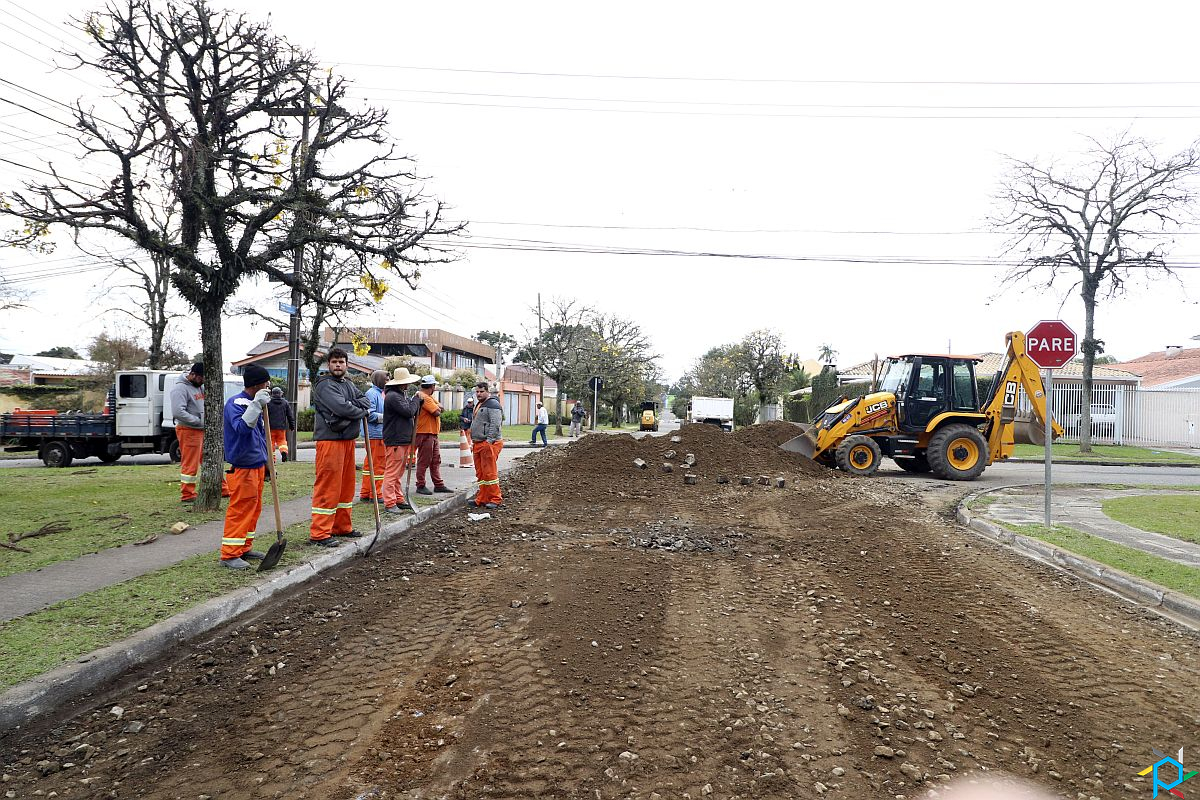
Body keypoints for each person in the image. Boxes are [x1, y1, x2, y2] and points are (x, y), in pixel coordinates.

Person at [310, 348, 372, 546]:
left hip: (348, 440)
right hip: (330, 441)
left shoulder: (348, 383)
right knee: (328, 486)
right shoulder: (325, 385)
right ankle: (319, 533)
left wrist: (354, 407)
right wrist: (357, 410)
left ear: (347, 365)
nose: (338, 365)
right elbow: (341, 407)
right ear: (328, 364)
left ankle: (341, 526)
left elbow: (365, 401)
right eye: (334, 362)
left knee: (346, 486)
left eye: (341, 362)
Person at [219, 365, 271, 569]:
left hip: (257, 464)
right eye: (266, 382)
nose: (268, 386)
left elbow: (261, 437)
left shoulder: (255, 403)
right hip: (243, 466)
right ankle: (229, 554)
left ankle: (244, 547)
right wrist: (256, 405)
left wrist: (267, 463)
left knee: (254, 508)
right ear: (257, 384)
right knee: (241, 509)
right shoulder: (237, 403)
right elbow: (242, 429)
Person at [170, 362, 229, 502]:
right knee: (190, 462)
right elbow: (178, 412)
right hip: (189, 430)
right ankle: (187, 494)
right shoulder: (180, 389)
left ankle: (222, 488)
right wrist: (199, 422)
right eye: (202, 378)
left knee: (211, 460)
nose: (203, 381)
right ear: (193, 375)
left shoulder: (199, 386)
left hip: (200, 430)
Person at [381, 367, 421, 513]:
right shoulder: (393, 397)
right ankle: (390, 502)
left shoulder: (399, 395)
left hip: (402, 439)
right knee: (392, 473)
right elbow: (408, 411)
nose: (408, 385)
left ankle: (398, 498)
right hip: (396, 440)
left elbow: (410, 409)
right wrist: (416, 400)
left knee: (398, 473)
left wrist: (415, 402)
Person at [413, 374, 453, 496]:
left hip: (431, 433)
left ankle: (438, 484)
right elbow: (437, 412)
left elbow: (441, 408)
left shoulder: (427, 396)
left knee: (435, 460)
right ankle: (421, 485)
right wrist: (438, 408)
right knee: (424, 459)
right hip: (425, 433)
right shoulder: (424, 397)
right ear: (432, 386)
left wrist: (438, 407)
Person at [470, 381, 504, 508]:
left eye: (481, 391)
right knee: (481, 473)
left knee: (490, 473)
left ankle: (495, 498)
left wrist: (489, 442)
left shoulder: (493, 405)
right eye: (477, 392)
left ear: (487, 391)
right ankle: (482, 498)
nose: (478, 394)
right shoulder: (480, 404)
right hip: (478, 443)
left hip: (489, 443)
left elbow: (496, 425)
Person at [359, 370, 388, 503]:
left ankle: (366, 492)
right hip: (376, 434)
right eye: (385, 378)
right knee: (378, 465)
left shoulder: (380, 393)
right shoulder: (372, 394)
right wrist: (387, 418)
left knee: (369, 465)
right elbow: (369, 415)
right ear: (378, 379)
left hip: (376, 434)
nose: (387, 380)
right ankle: (376, 494)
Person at [266, 386, 295, 463]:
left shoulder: (268, 402)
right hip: (281, 428)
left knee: (271, 442)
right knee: (282, 441)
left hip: (270, 427)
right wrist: (292, 426)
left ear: (272, 394)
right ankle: (284, 452)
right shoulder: (285, 403)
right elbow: (290, 415)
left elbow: (264, 415)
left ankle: (272, 459)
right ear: (280, 394)